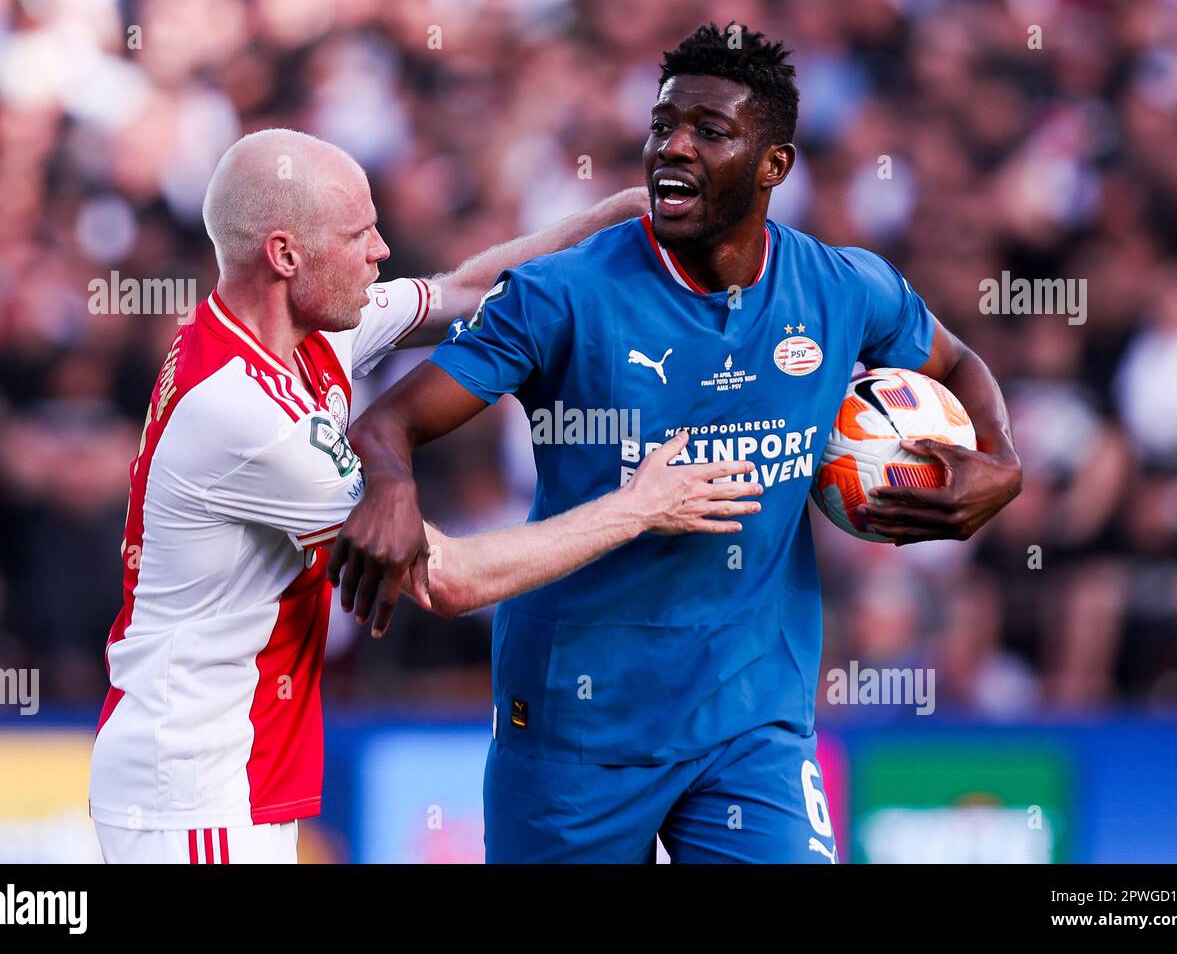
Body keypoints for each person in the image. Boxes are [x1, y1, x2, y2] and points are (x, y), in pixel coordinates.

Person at [328, 24, 1023, 863]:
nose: (674, 148)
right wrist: (392, 486)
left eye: (710, 131)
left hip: (751, 721)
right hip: (575, 728)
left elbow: (957, 359)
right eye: (663, 126)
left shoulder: (844, 288)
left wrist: (1001, 459)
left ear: (775, 165)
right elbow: (388, 421)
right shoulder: (564, 293)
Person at [88, 128, 762, 864]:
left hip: (222, 770)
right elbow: (450, 578)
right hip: (190, 783)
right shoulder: (248, 414)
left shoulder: (300, 330)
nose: (380, 250)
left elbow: (468, 292)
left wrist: (617, 217)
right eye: (358, 234)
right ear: (285, 255)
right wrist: (639, 507)